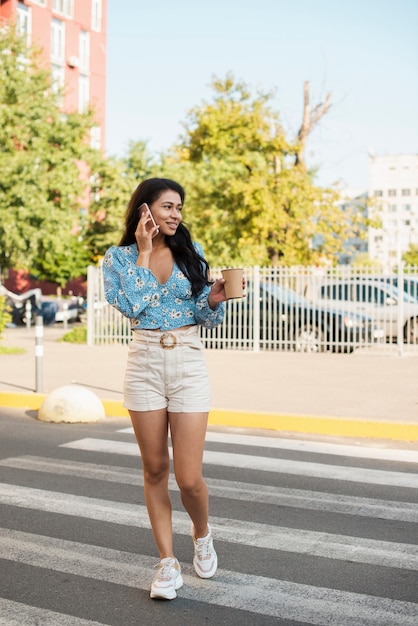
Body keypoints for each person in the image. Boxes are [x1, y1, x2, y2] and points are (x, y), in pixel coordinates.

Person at [103, 177, 227, 600]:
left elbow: (204, 318)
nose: (176, 214)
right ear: (145, 210)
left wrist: (212, 301)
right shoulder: (118, 259)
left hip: (188, 362)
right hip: (144, 364)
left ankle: (202, 533)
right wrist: (141, 252)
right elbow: (133, 306)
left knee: (190, 478)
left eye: (179, 207)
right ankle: (167, 563)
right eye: (168, 206)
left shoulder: (191, 254)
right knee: (155, 470)